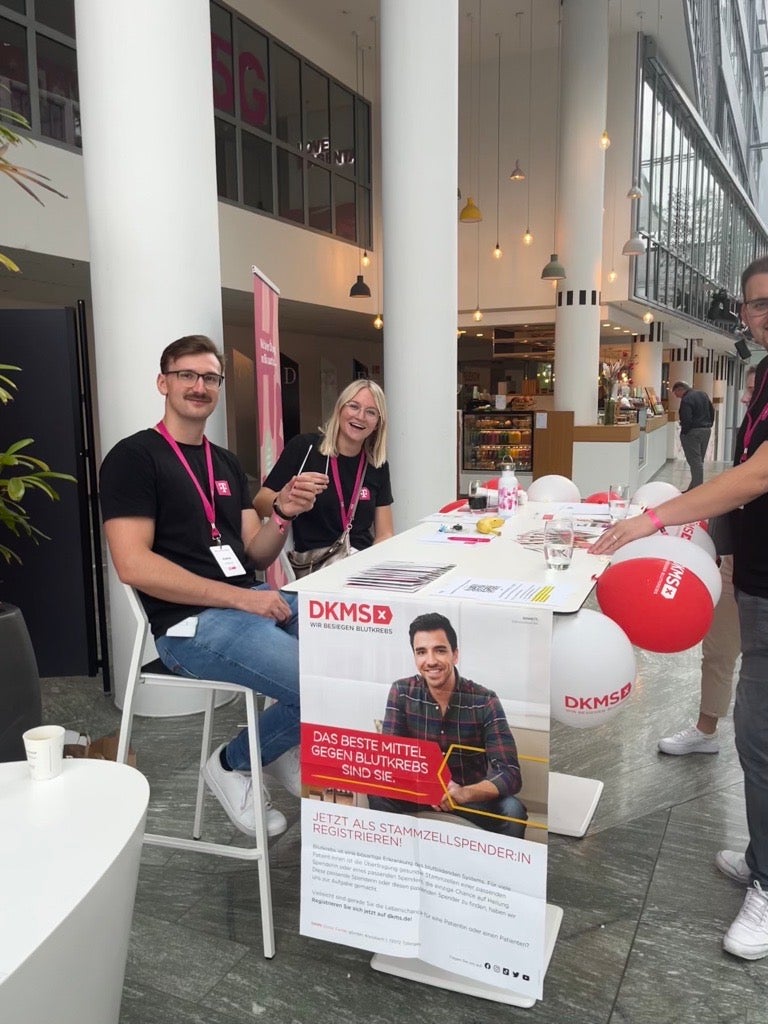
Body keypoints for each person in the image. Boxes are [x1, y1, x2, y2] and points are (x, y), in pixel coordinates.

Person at [592, 255, 768, 961]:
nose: (763, 313)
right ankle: (760, 854)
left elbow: (757, 473)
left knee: (762, 736)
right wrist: (725, 541)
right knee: (752, 727)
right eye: (756, 303)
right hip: (752, 572)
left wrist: (656, 520)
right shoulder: (763, 377)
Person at [99, 335, 328, 839]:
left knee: (347, 650)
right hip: (189, 625)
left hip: (248, 605)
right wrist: (243, 598)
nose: (199, 386)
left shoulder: (223, 462)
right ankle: (232, 762)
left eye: (209, 378)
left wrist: (283, 513)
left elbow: (255, 553)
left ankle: (273, 749)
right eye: (187, 375)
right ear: (163, 382)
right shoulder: (134, 457)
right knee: (320, 684)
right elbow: (133, 565)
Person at [658, 366, 756, 755]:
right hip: (738, 559)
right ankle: (706, 729)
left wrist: (656, 518)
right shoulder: (750, 430)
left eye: (752, 390)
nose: (745, 397)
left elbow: (745, 484)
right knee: (718, 649)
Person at [368, 612, 528, 839]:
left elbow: (509, 773)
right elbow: (390, 760)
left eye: (440, 650)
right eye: (421, 652)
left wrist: (463, 793)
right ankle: (395, 857)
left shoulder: (485, 700)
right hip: (419, 791)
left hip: (468, 798)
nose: (431, 660)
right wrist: (427, 786)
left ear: (455, 655)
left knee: (513, 811)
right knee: (377, 790)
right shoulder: (401, 692)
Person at [253, 379, 394, 559]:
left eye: (371, 412)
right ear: (340, 409)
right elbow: (260, 502)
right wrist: (285, 501)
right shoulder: (305, 448)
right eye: (354, 406)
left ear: (378, 423)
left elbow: (385, 533)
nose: (360, 416)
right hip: (316, 563)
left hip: (360, 562)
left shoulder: (377, 465)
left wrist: (374, 563)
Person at [671, 380, 715, 489]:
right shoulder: (703, 394)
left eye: (675, 392)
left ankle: (697, 489)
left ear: (680, 389)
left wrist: (684, 432)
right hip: (706, 430)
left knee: (695, 462)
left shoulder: (686, 399)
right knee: (699, 460)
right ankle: (693, 486)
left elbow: (686, 417)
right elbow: (712, 410)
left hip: (693, 432)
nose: (676, 396)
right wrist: (709, 424)